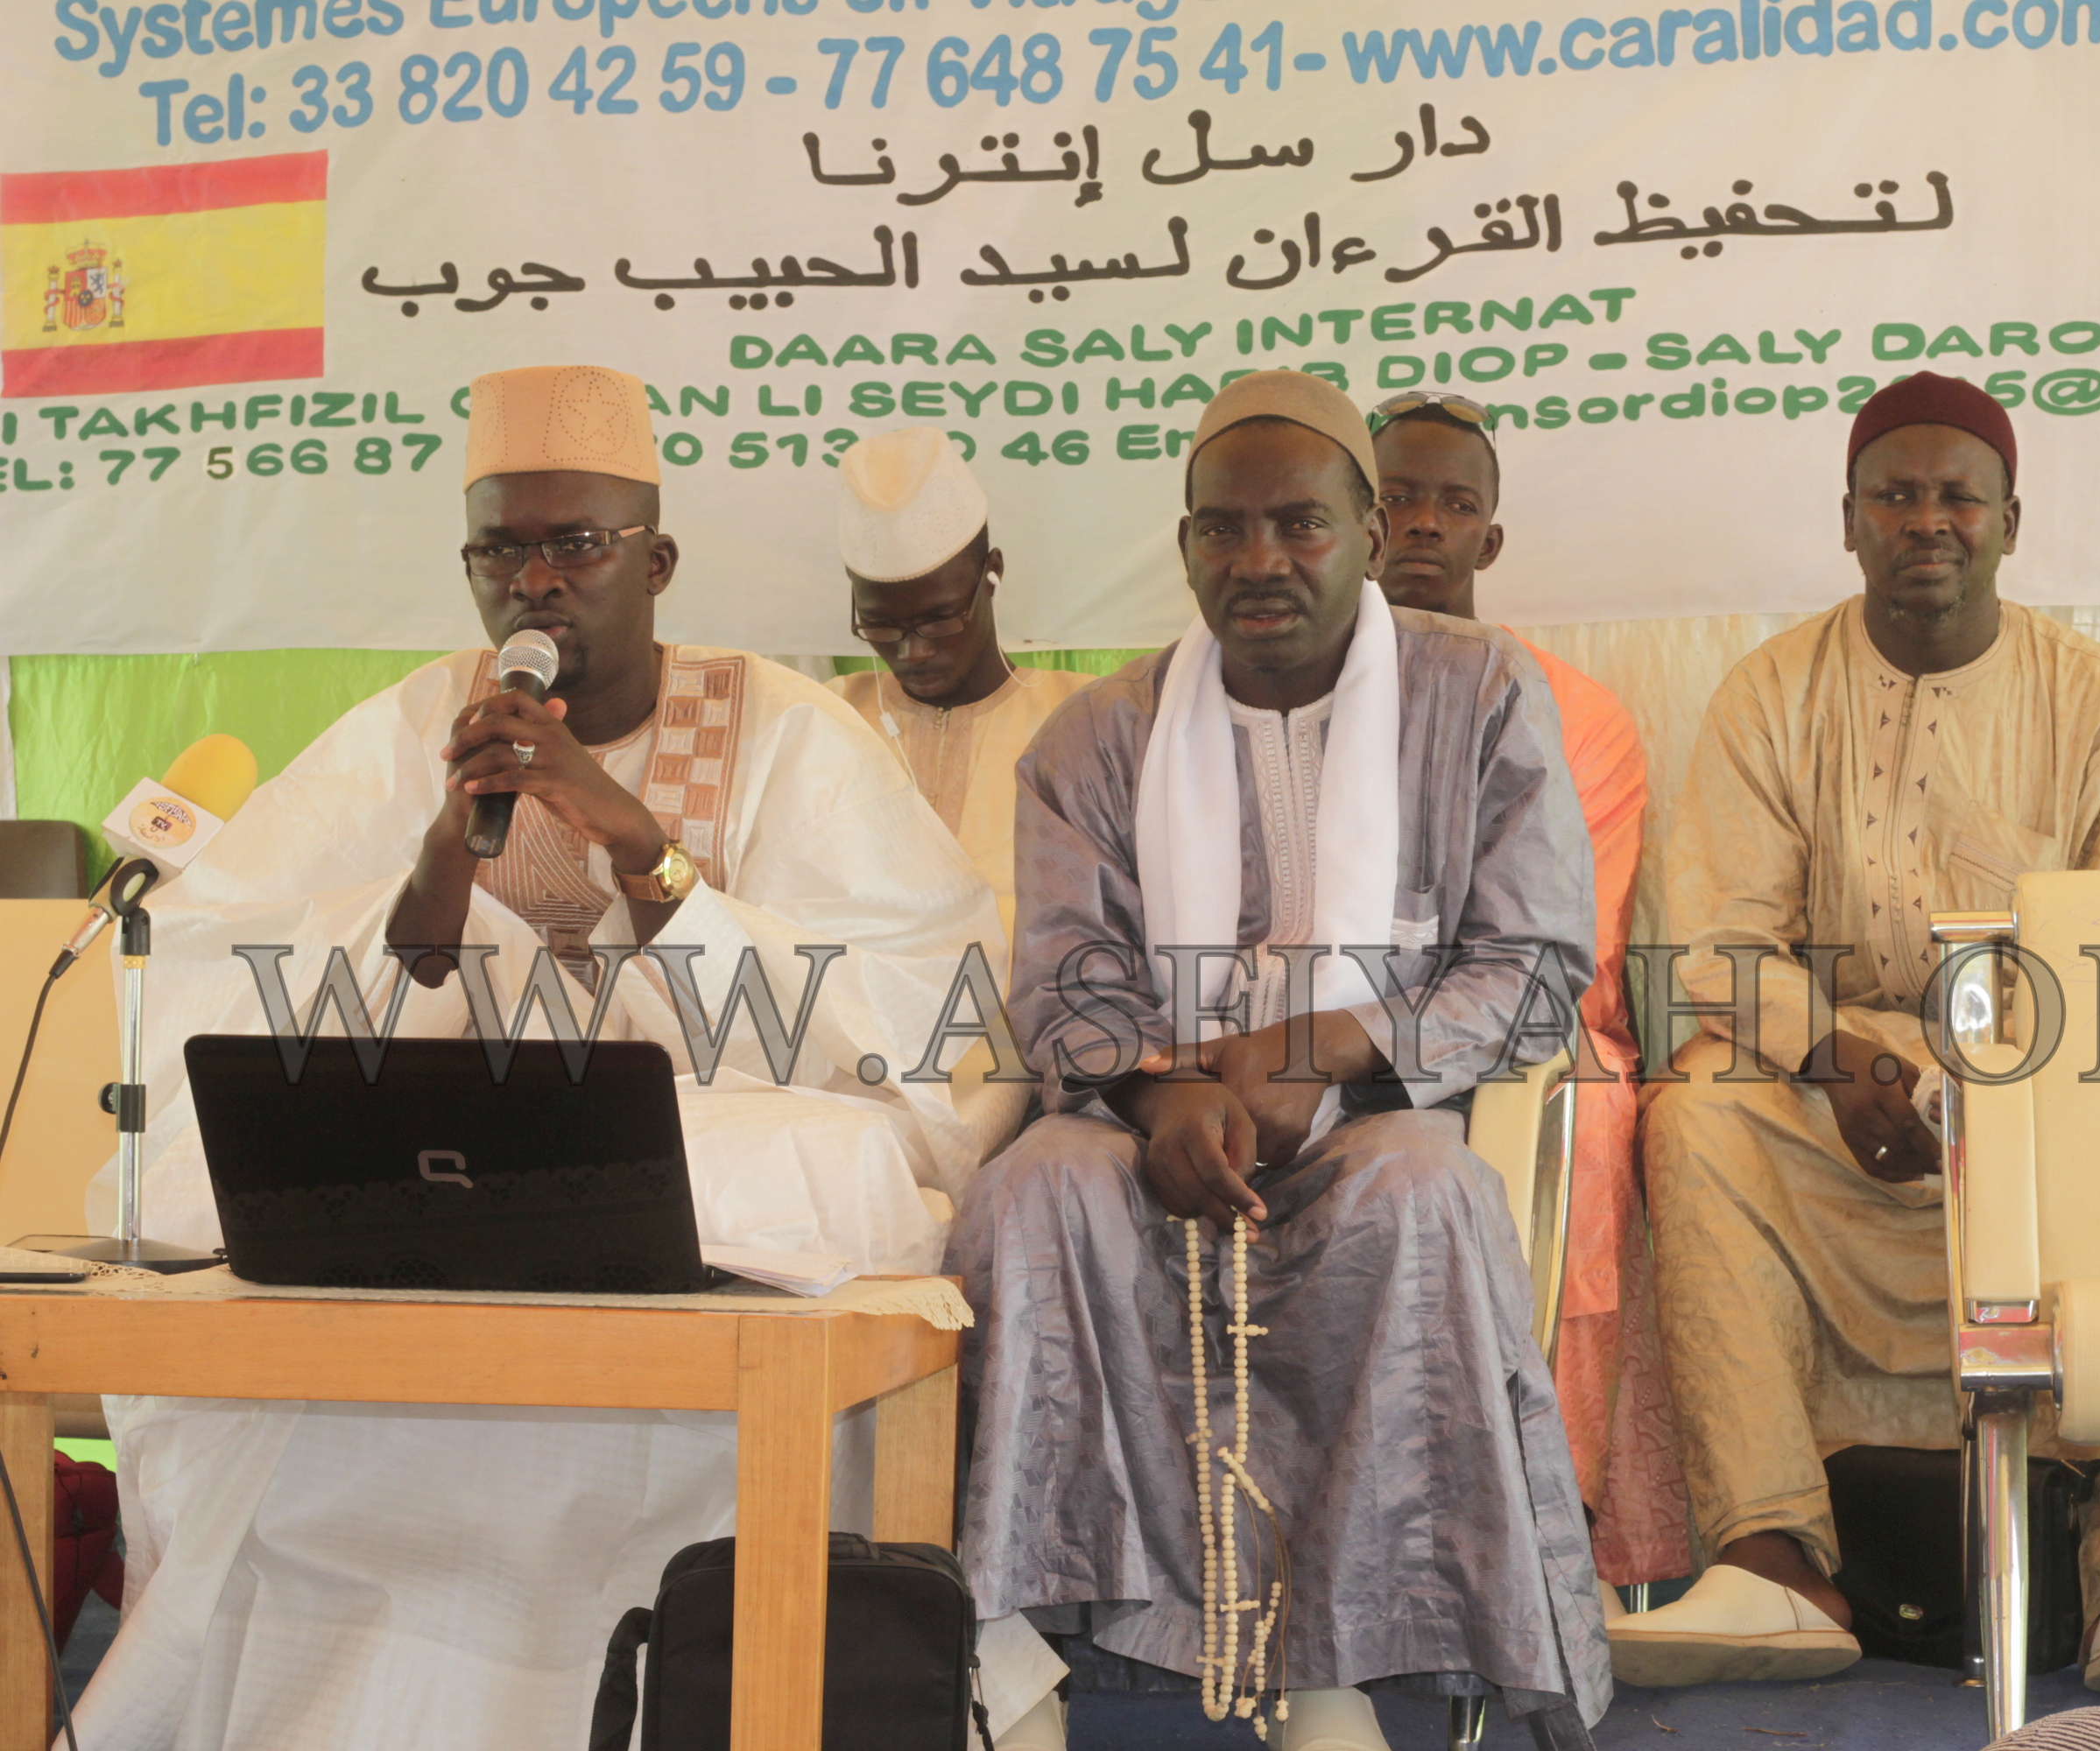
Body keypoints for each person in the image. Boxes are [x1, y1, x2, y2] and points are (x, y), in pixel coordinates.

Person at [76, 364, 1064, 1749]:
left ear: (652, 560)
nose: (538, 581)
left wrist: (634, 841)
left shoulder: (784, 731)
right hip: (452, 1165)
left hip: (701, 1155)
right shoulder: (415, 729)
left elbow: (912, 1030)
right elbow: (239, 973)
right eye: (504, 549)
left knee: (791, 1172)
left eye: (576, 546)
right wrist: (431, 867)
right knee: (230, 1200)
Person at [946, 370, 1611, 1751]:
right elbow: (1067, 979)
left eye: (1300, 525)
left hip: (1380, 1112)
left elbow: (1537, 966)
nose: (1260, 562)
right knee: (1029, 1195)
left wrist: (1338, 1049)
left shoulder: (1481, 696)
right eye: (1223, 530)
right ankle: (1008, 1660)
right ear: (1184, 543)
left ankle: (1334, 1668)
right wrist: (1163, 1090)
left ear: (1370, 533)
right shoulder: (1093, 739)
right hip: (1148, 1117)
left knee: (1415, 1200)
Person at [1614, 374, 2100, 1692]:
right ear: (1848, 521)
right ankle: (1773, 1563)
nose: (1928, 521)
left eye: (1957, 495)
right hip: (1832, 1107)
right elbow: (1718, 948)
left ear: (2009, 522)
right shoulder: (1771, 696)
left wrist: (1988, 1089)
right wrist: (1837, 1058)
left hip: (2044, 1101)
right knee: (1695, 1112)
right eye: (1895, 496)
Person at [1366, 391, 1688, 1588]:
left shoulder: (1579, 716)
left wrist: (1397, 1034)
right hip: (1328, 1034)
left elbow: (1568, 949)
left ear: (1489, 541)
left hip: (1521, 1044)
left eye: (1455, 505)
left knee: (1587, 1115)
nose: (1422, 525)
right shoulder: (1275, 686)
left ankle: (1535, 1532)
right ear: (1353, 514)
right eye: (1398, 495)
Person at [827, 426, 1095, 968]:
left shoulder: (1081, 719)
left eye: (940, 619)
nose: (913, 651)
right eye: (879, 627)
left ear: (991, 571)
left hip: (1029, 1044)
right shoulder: (828, 719)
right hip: (852, 1041)